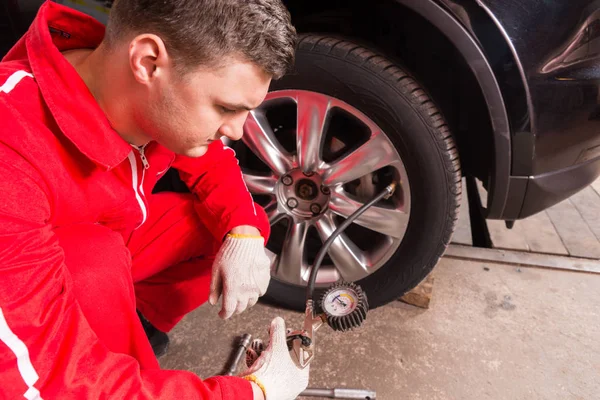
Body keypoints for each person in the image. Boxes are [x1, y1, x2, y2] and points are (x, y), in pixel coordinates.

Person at [0, 0, 309, 399]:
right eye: (226, 108)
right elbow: (47, 377)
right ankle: (120, 365)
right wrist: (249, 394)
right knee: (95, 262)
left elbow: (210, 159)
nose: (236, 130)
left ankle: (134, 332)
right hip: (31, 292)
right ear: (147, 62)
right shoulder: (12, 149)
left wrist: (244, 230)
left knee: (218, 226)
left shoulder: (133, 88)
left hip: (108, 236)